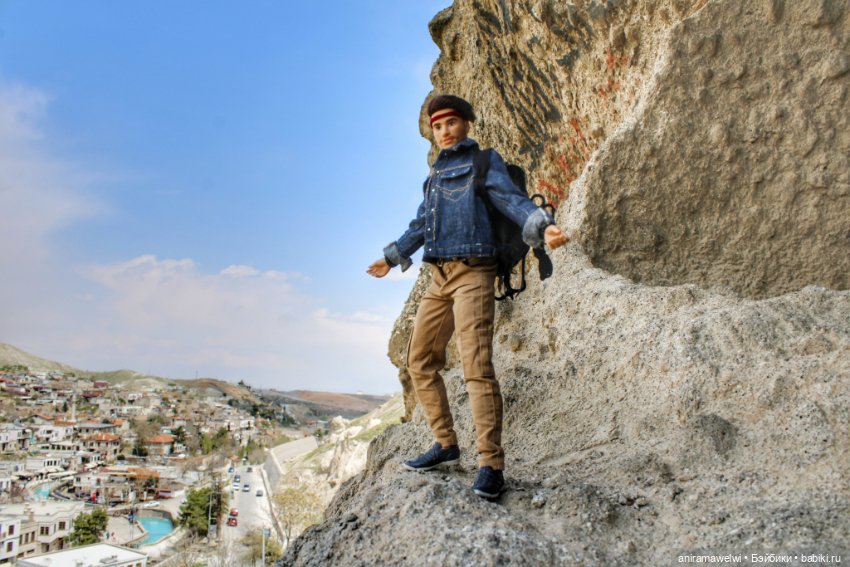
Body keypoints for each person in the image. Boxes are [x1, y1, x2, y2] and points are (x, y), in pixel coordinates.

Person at [367, 94, 569, 499]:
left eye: (451, 123)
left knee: (477, 367)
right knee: (419, 359)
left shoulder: (482, 162)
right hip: (437, 276)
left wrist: (543, 226)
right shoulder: (435, 176)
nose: (444, 131)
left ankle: (491, 464)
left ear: (467, 125)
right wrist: (391, 258)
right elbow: (422, 224)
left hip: (473, 273)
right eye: (437, 126)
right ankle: (445, 445)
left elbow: (511, 200)